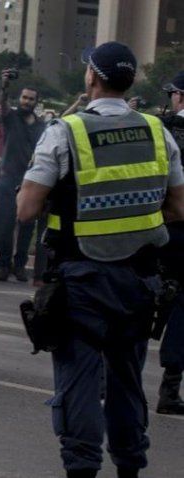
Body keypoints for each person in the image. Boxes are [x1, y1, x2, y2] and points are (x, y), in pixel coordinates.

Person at [17, 42, 184, 478]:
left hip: (82, 280)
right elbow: (178, 207)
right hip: (140, 280)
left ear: (91, 76)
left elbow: (26, 209)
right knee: (127, 379)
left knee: (80, 382)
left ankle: (82, 467)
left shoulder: (66, 132)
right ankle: (130, 465)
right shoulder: (157, 131)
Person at [0, 72, 44, 282]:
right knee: (5, 225)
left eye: (31, 99)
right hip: (8, 178)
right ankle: (3, 265)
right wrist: (4, 86)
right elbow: (3, 103)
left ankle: (20, 266)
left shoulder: (41, 125)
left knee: (26, 225)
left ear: (36, 102)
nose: (26, 101)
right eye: (24, 97)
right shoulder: (11, 117)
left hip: (31, 181)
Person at [155, 70, 184, 415]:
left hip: (156, 225)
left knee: (140, 298)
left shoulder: (159, 129)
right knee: (181, 310)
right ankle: (170, 388)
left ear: (179, 96)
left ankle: (107, 378)